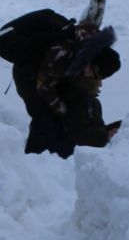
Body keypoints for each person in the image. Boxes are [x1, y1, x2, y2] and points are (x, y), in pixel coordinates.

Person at [14, 23, 121, 158]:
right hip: (28, 75)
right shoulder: (62, 52)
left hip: (50, 75)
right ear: (93, 63)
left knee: (58, 116)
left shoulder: (88, 52)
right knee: (43, 114)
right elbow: (44, 87)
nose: (91, 78)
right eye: (94, 75)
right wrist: (64, 111)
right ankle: (33, 159)